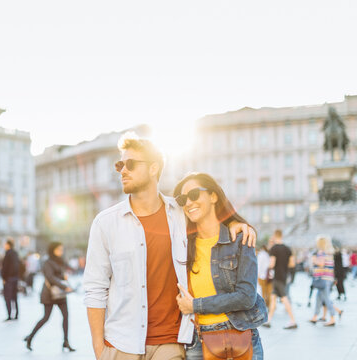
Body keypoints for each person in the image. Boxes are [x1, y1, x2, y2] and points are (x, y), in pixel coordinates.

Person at [83, 133, 256, 360]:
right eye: (120, 165)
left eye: (131, 164)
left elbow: (209, 217)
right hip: (120, 343)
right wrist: (99, 349)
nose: (123, 170)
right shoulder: (105, 223)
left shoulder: (180, 212)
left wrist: (236, 222)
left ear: (154, 168)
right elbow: (95, 289)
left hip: (171, 342)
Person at [173, 173, 266, 360]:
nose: (188, 203)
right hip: (198, 340)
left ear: (213, 196)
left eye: (194, 195)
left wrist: (196, 305)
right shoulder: (181, 245)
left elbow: (246, 297)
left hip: (240, 334)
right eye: (183, 199)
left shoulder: (240, 239)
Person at [24, 242, 75, 352]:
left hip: (60, 294)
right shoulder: (47, 262)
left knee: (66, 316)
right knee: (46, 318)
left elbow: (61, 273)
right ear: (53, 250)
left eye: (62, 249)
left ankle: (66, 341)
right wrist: (64, 286)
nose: (61, 251)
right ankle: (30, 337)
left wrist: (64, 276)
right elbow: (50, 277)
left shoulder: (60, 261)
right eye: (59, 249)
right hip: (50, 294)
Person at [263, 230, 297, 329]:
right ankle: (268, 320)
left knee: (284, 298)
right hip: (284, 275)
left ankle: (293, 321)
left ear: (274, 236)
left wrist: (268, 266)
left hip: (277, 276)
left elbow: (272, 264)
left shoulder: (274, 249)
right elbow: (292, 264)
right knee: (273, 297)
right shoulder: (287, 249)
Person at [309, 236, 341, 326]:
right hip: (327, 278)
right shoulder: (329, 253)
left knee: (326, 298)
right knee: (318, 298)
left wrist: (314, 260)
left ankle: (332, 318)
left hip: (323, 278)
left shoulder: (321, 253)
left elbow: (321, 264)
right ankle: (315, 316)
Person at [1, 238, 20, 321]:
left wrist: (4, 277)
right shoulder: (15, 254)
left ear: (8, 245)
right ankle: (16, 314)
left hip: (8, 279)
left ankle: (9, 315)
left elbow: (5, 267)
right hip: (15, 278)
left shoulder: (8, 254)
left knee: (8, 297)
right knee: (14, 297)